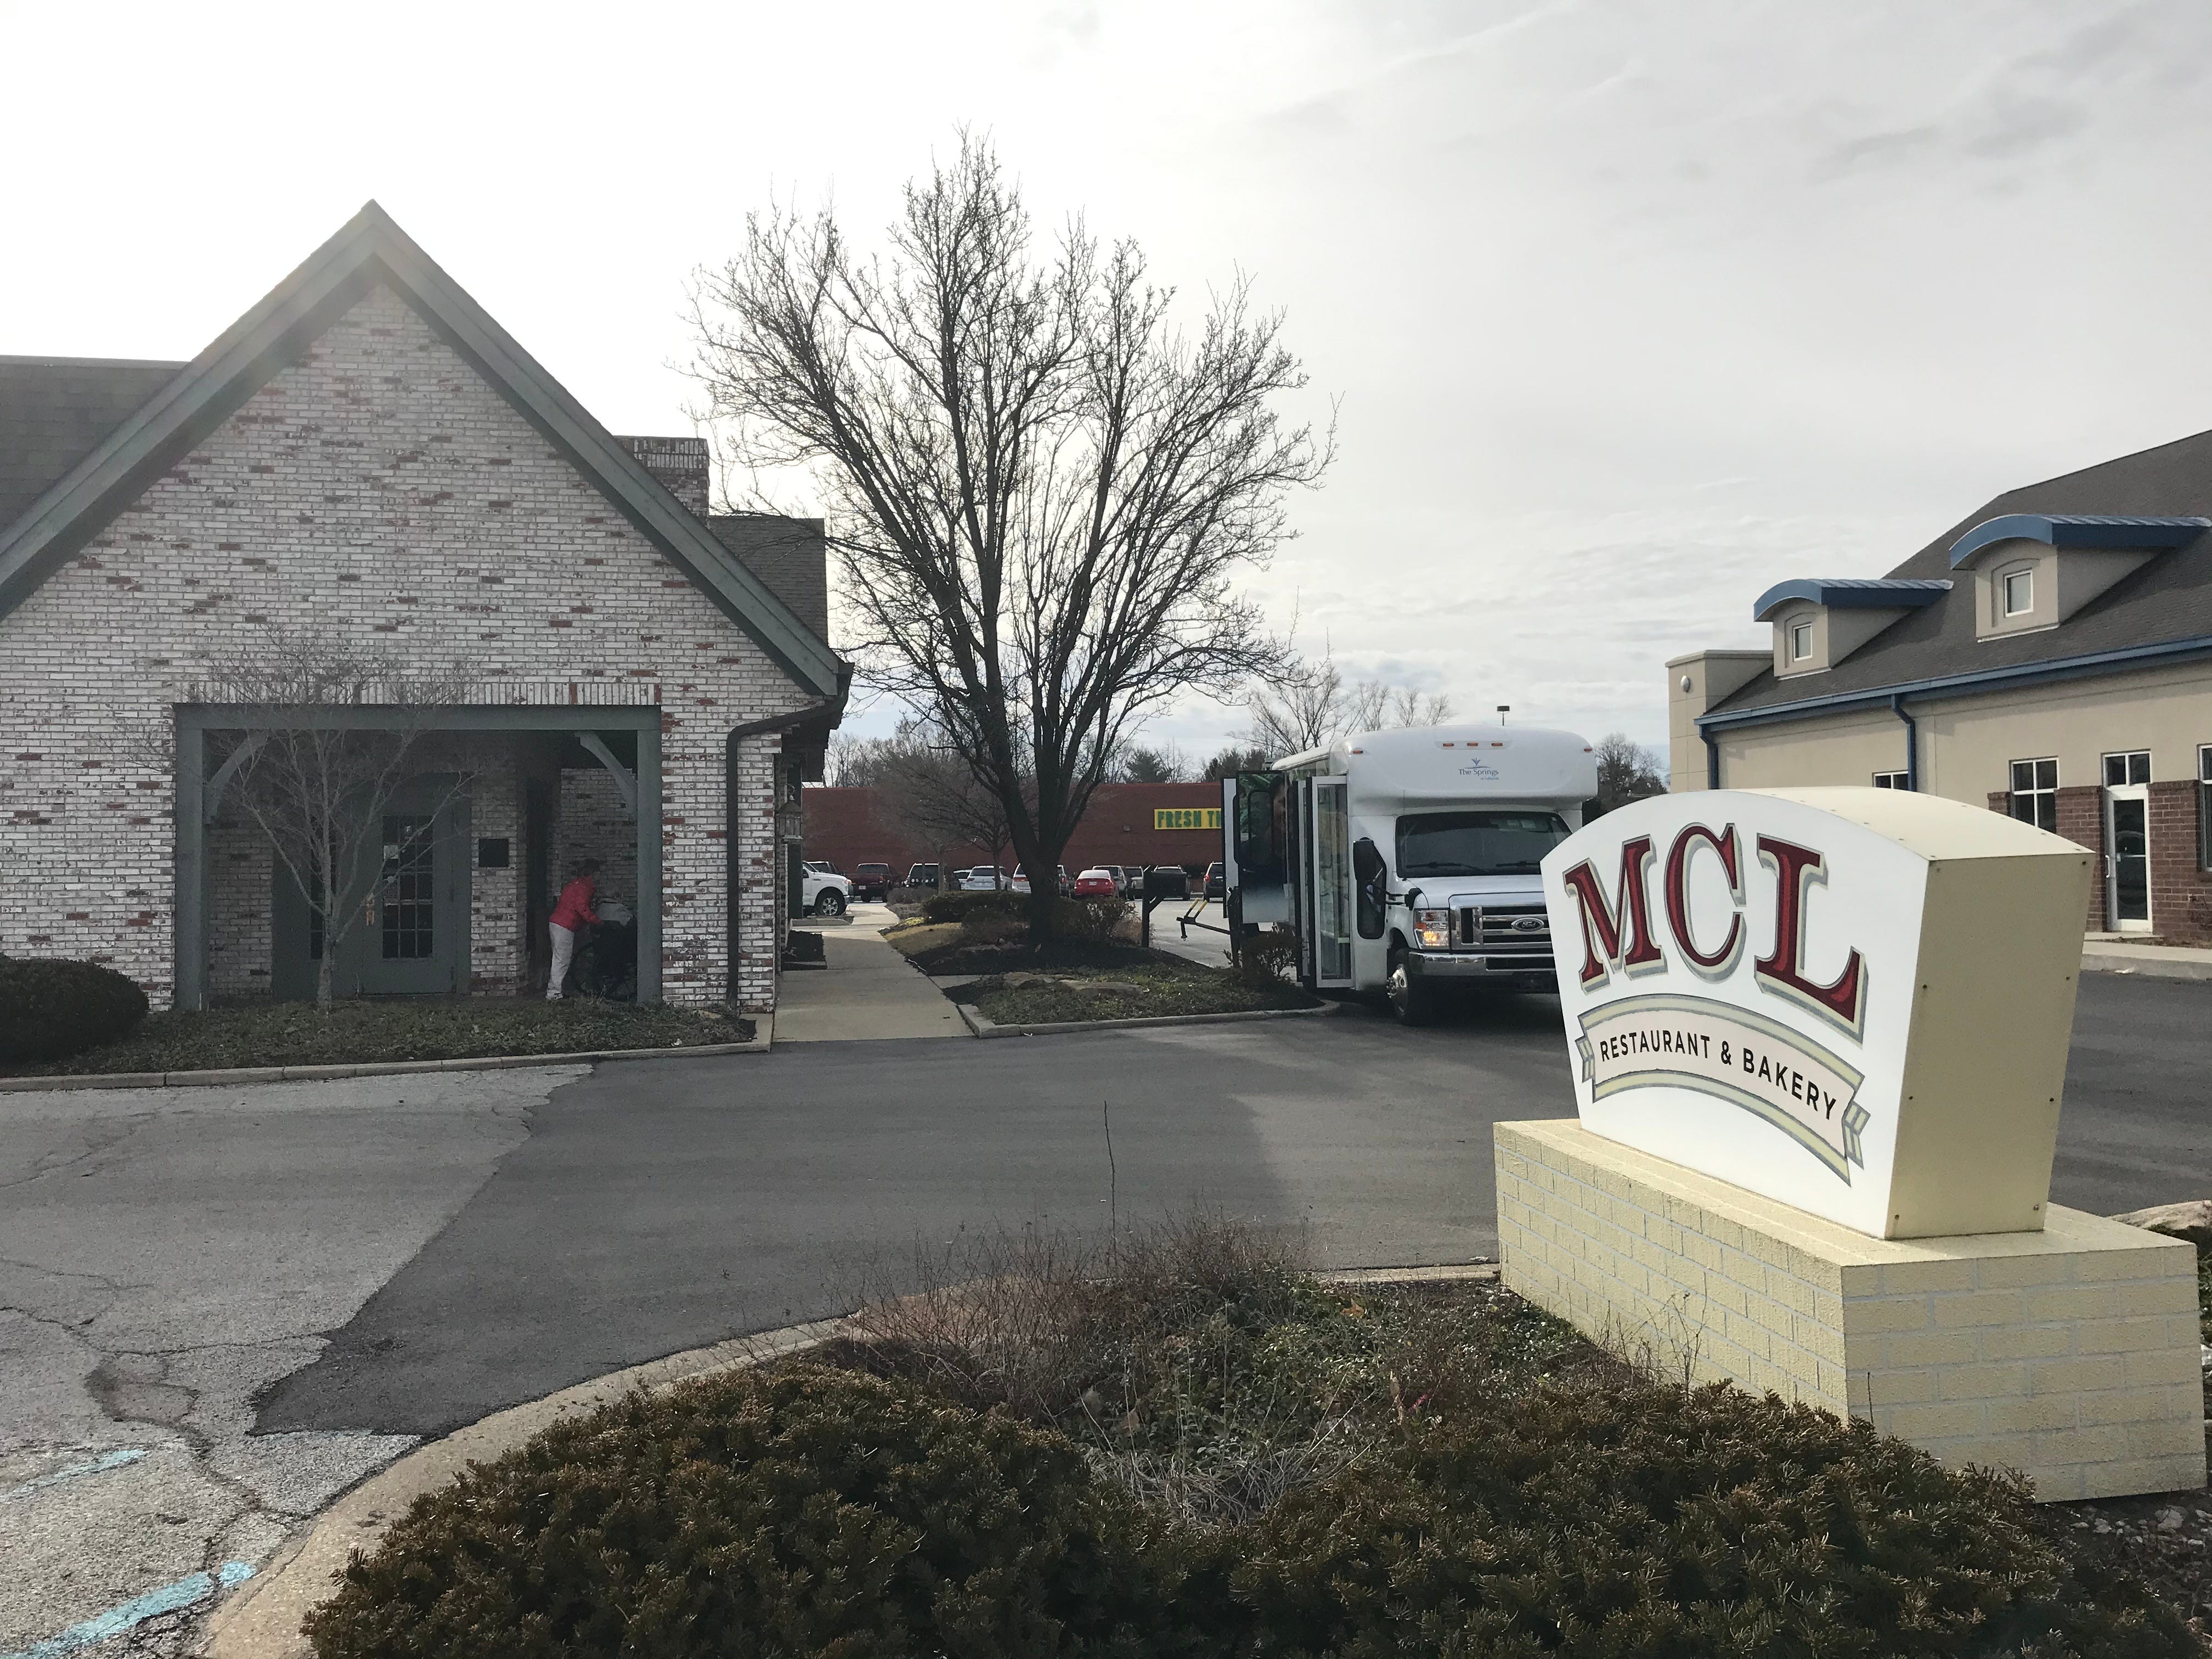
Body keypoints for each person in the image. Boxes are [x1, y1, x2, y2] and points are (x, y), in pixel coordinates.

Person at [546, 859, 602, 1000]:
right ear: (593, 873)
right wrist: (596, 921)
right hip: (566, 925)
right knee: (561, 959)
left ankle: (557, 991)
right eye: (598, 873)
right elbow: (582, 908)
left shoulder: (574, 885)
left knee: (560, 958)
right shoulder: (585, 887)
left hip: (558, 922)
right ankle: (554, 993)